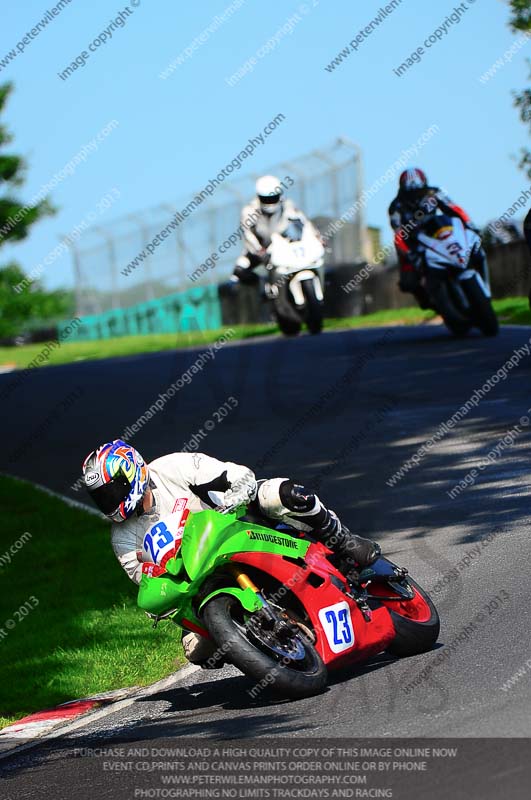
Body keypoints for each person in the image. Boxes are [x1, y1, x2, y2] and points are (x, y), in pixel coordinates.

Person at [82, 440, 380, 666]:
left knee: (279, 493)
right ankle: (259, 642)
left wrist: (238, 488)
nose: (109, 502)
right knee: (196, 650)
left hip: (239, 527)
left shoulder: (171, 467)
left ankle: (340, 538)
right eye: (101, 498)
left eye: (112, 491)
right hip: (199, 583)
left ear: (132, 473)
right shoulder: (121, 537)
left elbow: (232, 473)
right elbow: (143, 578)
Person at [388, 168, 488, 308]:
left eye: (418, 192)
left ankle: (484, 286)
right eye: (411, 194)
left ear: (425, 185)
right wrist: (410, 254)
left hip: (437, 233)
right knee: (408, 282)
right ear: (403, 190)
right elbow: (398, 235)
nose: (415, 197)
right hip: (412, 243)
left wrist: (470, 225)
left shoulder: (434, 193)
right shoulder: (395, 207)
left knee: (477, 250)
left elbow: (454, 209)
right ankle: (426, 300)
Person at [232, 174, 321, 285]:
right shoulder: (249, 210)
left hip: (285, 246)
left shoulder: (287, 205)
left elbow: (302, 221)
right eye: (266, 199)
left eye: (273, 197)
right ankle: (263, 286)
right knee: (239, 272)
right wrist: (259, 251)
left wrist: (317, 237)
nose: (270, 202)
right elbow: (247, 234)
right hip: (260, 249)